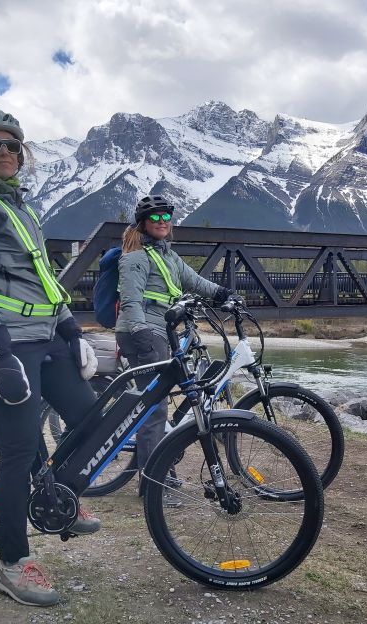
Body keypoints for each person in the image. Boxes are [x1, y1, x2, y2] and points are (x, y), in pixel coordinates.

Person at [0, 109, 100, 607]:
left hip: (47, 333)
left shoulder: (19, 205)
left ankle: (53, 494)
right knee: (18, 446)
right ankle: (12, 562)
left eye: (13, 143)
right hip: (8, 340)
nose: (6, 151)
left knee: (89, 416)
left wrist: (72, 328)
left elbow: (44, 276)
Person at [115, 194, 232, 503]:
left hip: (159, 331)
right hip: (143, 332)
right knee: (155, 410)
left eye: (167, 217)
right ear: (142, 223)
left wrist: (224, 294)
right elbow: (130, 300)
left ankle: (161, 468)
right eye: (155, 218)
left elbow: (194, 281)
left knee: (168, 400)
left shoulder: (168, 256)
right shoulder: (134, 258)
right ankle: (154, 485)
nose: (162, 222)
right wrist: (141, 331)